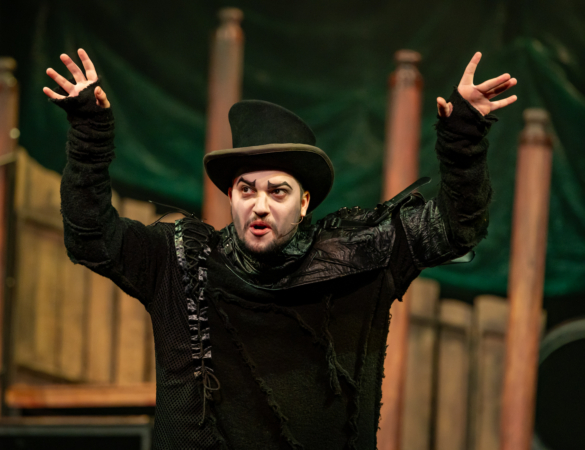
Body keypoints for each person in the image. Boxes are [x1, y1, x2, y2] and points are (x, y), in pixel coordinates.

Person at [44, 49, 516, 450]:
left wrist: (463, 139)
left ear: (305, 202)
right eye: (246, 189)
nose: (260, 205)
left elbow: (457, 228)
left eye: (278, 191)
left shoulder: (357, 257)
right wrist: (88, 135)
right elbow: (90, 237)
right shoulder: (182, 262)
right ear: (231, 196)